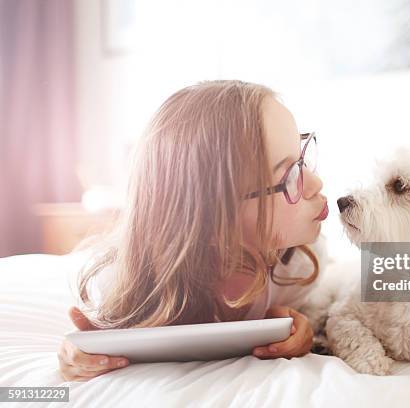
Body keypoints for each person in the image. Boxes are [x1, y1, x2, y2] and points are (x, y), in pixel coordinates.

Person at [57, 80, 329, 381]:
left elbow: (304, 321)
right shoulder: (119, 284)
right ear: (213, 220)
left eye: (302, 157)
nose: (316, 183)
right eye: (290, 177)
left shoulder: (299, 265)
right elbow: (85, 346)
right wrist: (81, 352)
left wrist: (298, 328)